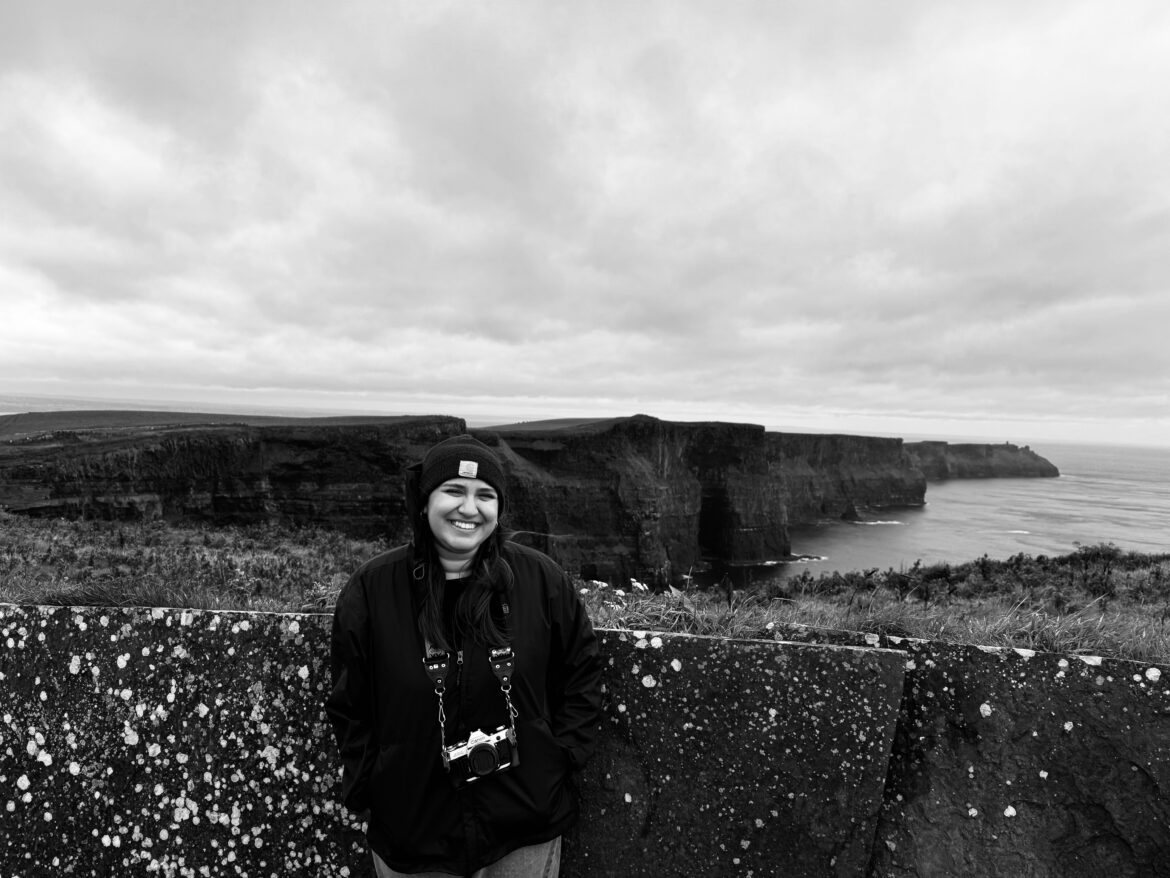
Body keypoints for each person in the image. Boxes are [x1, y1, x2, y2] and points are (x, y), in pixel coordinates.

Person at [327, 434, 602, 877]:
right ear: (424, 500)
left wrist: (557, 760)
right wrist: (376, 785)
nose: (469, 509)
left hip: (524, 825)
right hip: (414, 833)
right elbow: (349, 704)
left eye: (485, 495)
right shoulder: (373, 590)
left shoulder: (540, 581)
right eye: (453, 490)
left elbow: (582, 673)